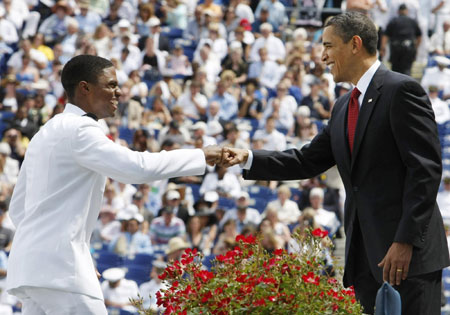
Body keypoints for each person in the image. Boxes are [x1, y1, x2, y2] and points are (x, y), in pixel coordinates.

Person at [221, 12, 449, 314]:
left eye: (328, 45)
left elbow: (425, 171)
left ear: (355, 44)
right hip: (365, 261)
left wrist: (405, 241)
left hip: (406, 260)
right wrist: (248, 157)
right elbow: (306, 160)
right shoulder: (343, 105)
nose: (323, 56)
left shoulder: (401, 91)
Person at [6, 54, 223, 315]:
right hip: (60, 269)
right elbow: (137, 168)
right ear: (84, 88)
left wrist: (77, 253)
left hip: (30, 269)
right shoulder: (81, 130)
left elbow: (18, 209)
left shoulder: (45, 132)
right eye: (110, 84)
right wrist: (202, 155)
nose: (118, 92)